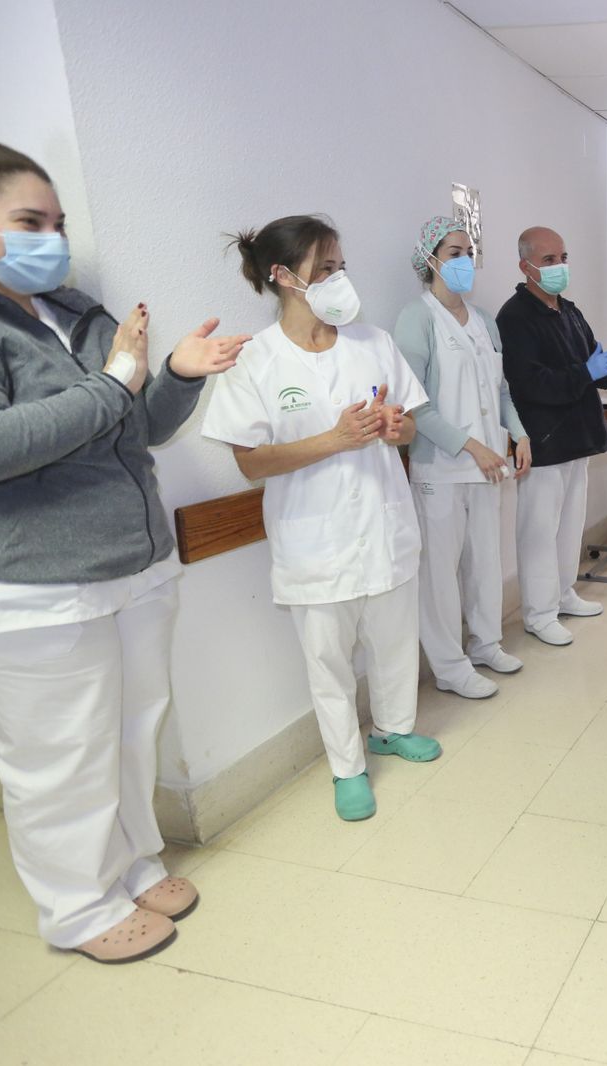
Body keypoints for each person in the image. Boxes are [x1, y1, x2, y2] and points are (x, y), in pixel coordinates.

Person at [0, 108, 247, 962]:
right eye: (29, 224)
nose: (52, 240)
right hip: (21, 585)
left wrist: (175, 376)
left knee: (131, 725)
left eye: (58, 223)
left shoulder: (72, 308)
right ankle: (75, 909)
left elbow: (134, 424)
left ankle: (130, 862)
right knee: (59, 757)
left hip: (128, 565)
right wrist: (116, 382)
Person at [203, 214, 440, 823]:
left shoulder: (373, 341)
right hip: (315, 541)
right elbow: (250, 462)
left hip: (385, 525)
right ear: (283, 276)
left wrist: (394, 428)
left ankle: (393, 729)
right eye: (325, 268)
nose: (339, 279)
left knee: (393, 644)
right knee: (329, 663)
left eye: (341, 266)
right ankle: (348, 768)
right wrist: (333, 440)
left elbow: (409, 423)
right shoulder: (255, 359)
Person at [394, 216, 529, 700]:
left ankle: (486, 643)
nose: (465, 261)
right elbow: (414, 405)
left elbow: (502, 388)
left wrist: (518, 433)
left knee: (485, 562)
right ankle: (450, 667)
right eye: (454, 253)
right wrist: (471, 444)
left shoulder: (484, 320)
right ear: (429, 260)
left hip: (489, 465)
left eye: (469, 251)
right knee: (440, 576)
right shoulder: (417, 318)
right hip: (441, 468)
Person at [498, 226, 607, 647]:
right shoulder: (515, 317)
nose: (559, 267)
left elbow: (590, 363)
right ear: (525, 266)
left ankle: (563, 594)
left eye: (563, 257)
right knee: (538, 530)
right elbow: (531, 385)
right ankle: (538, 614)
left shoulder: (569, 310)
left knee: (568, 525)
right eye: (548, 260)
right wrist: (588, 372)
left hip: (578, 437)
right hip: (543, 442)